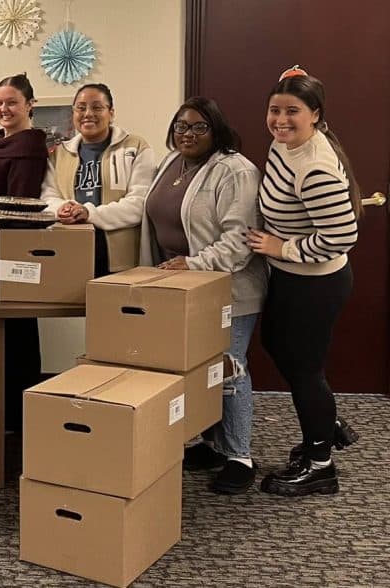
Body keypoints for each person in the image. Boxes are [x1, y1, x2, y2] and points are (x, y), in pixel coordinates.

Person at [139, 97, 266, 494]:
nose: (188, 134)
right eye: (181, 126)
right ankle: (213, 445)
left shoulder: (235, 170)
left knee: (229, 368)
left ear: (217, 130)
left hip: (228, 289)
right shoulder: (171, 163)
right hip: (182, 289)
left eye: (199, 127)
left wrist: (193, 264)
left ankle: (239, 456)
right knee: (198, 369)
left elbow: (240, 240)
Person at [248, 67, 361, 497]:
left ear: (315, 114)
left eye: (292, 111)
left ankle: (320, 465)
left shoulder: (314, 168)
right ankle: (325, 424)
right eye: (274, 110)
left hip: (316, 283)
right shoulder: (285, 144)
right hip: (292, 277)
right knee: (277, 344)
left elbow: (341, 237)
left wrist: (282, 248)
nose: (280, 120)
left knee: (305, 371)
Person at [0, 74, 47, 434]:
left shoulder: (30, 148)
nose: (4, 109)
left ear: (30, 105)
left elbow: (19, 206)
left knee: (19, 330)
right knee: (3, 330)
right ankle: (7, 407)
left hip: (13, 247)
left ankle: (18, 415)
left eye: (12, 102)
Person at [40, 83, 157, 276]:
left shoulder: (136, 147)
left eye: (97, 107)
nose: (88, 114)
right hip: (70, 252)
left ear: (111, 113)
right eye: (81, 108)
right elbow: (48, 197)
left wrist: (89, 213)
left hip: (122, 260)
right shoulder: (59, 154)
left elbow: (139, 204)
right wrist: (62, 208)